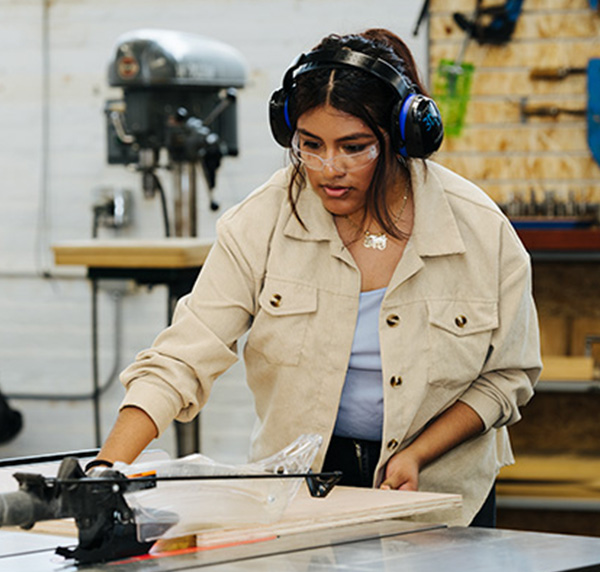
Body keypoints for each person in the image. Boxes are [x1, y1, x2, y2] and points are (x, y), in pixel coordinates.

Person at [89, 28, 541, 527]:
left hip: (441, 486)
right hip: (300, 490)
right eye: (311, 145)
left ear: (402, 137)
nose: (330, 168)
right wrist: (107, 469)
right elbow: (181, 357)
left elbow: (507, 377)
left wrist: (418, 453)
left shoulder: (479, 230)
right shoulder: (261, 222)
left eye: (354, 146)